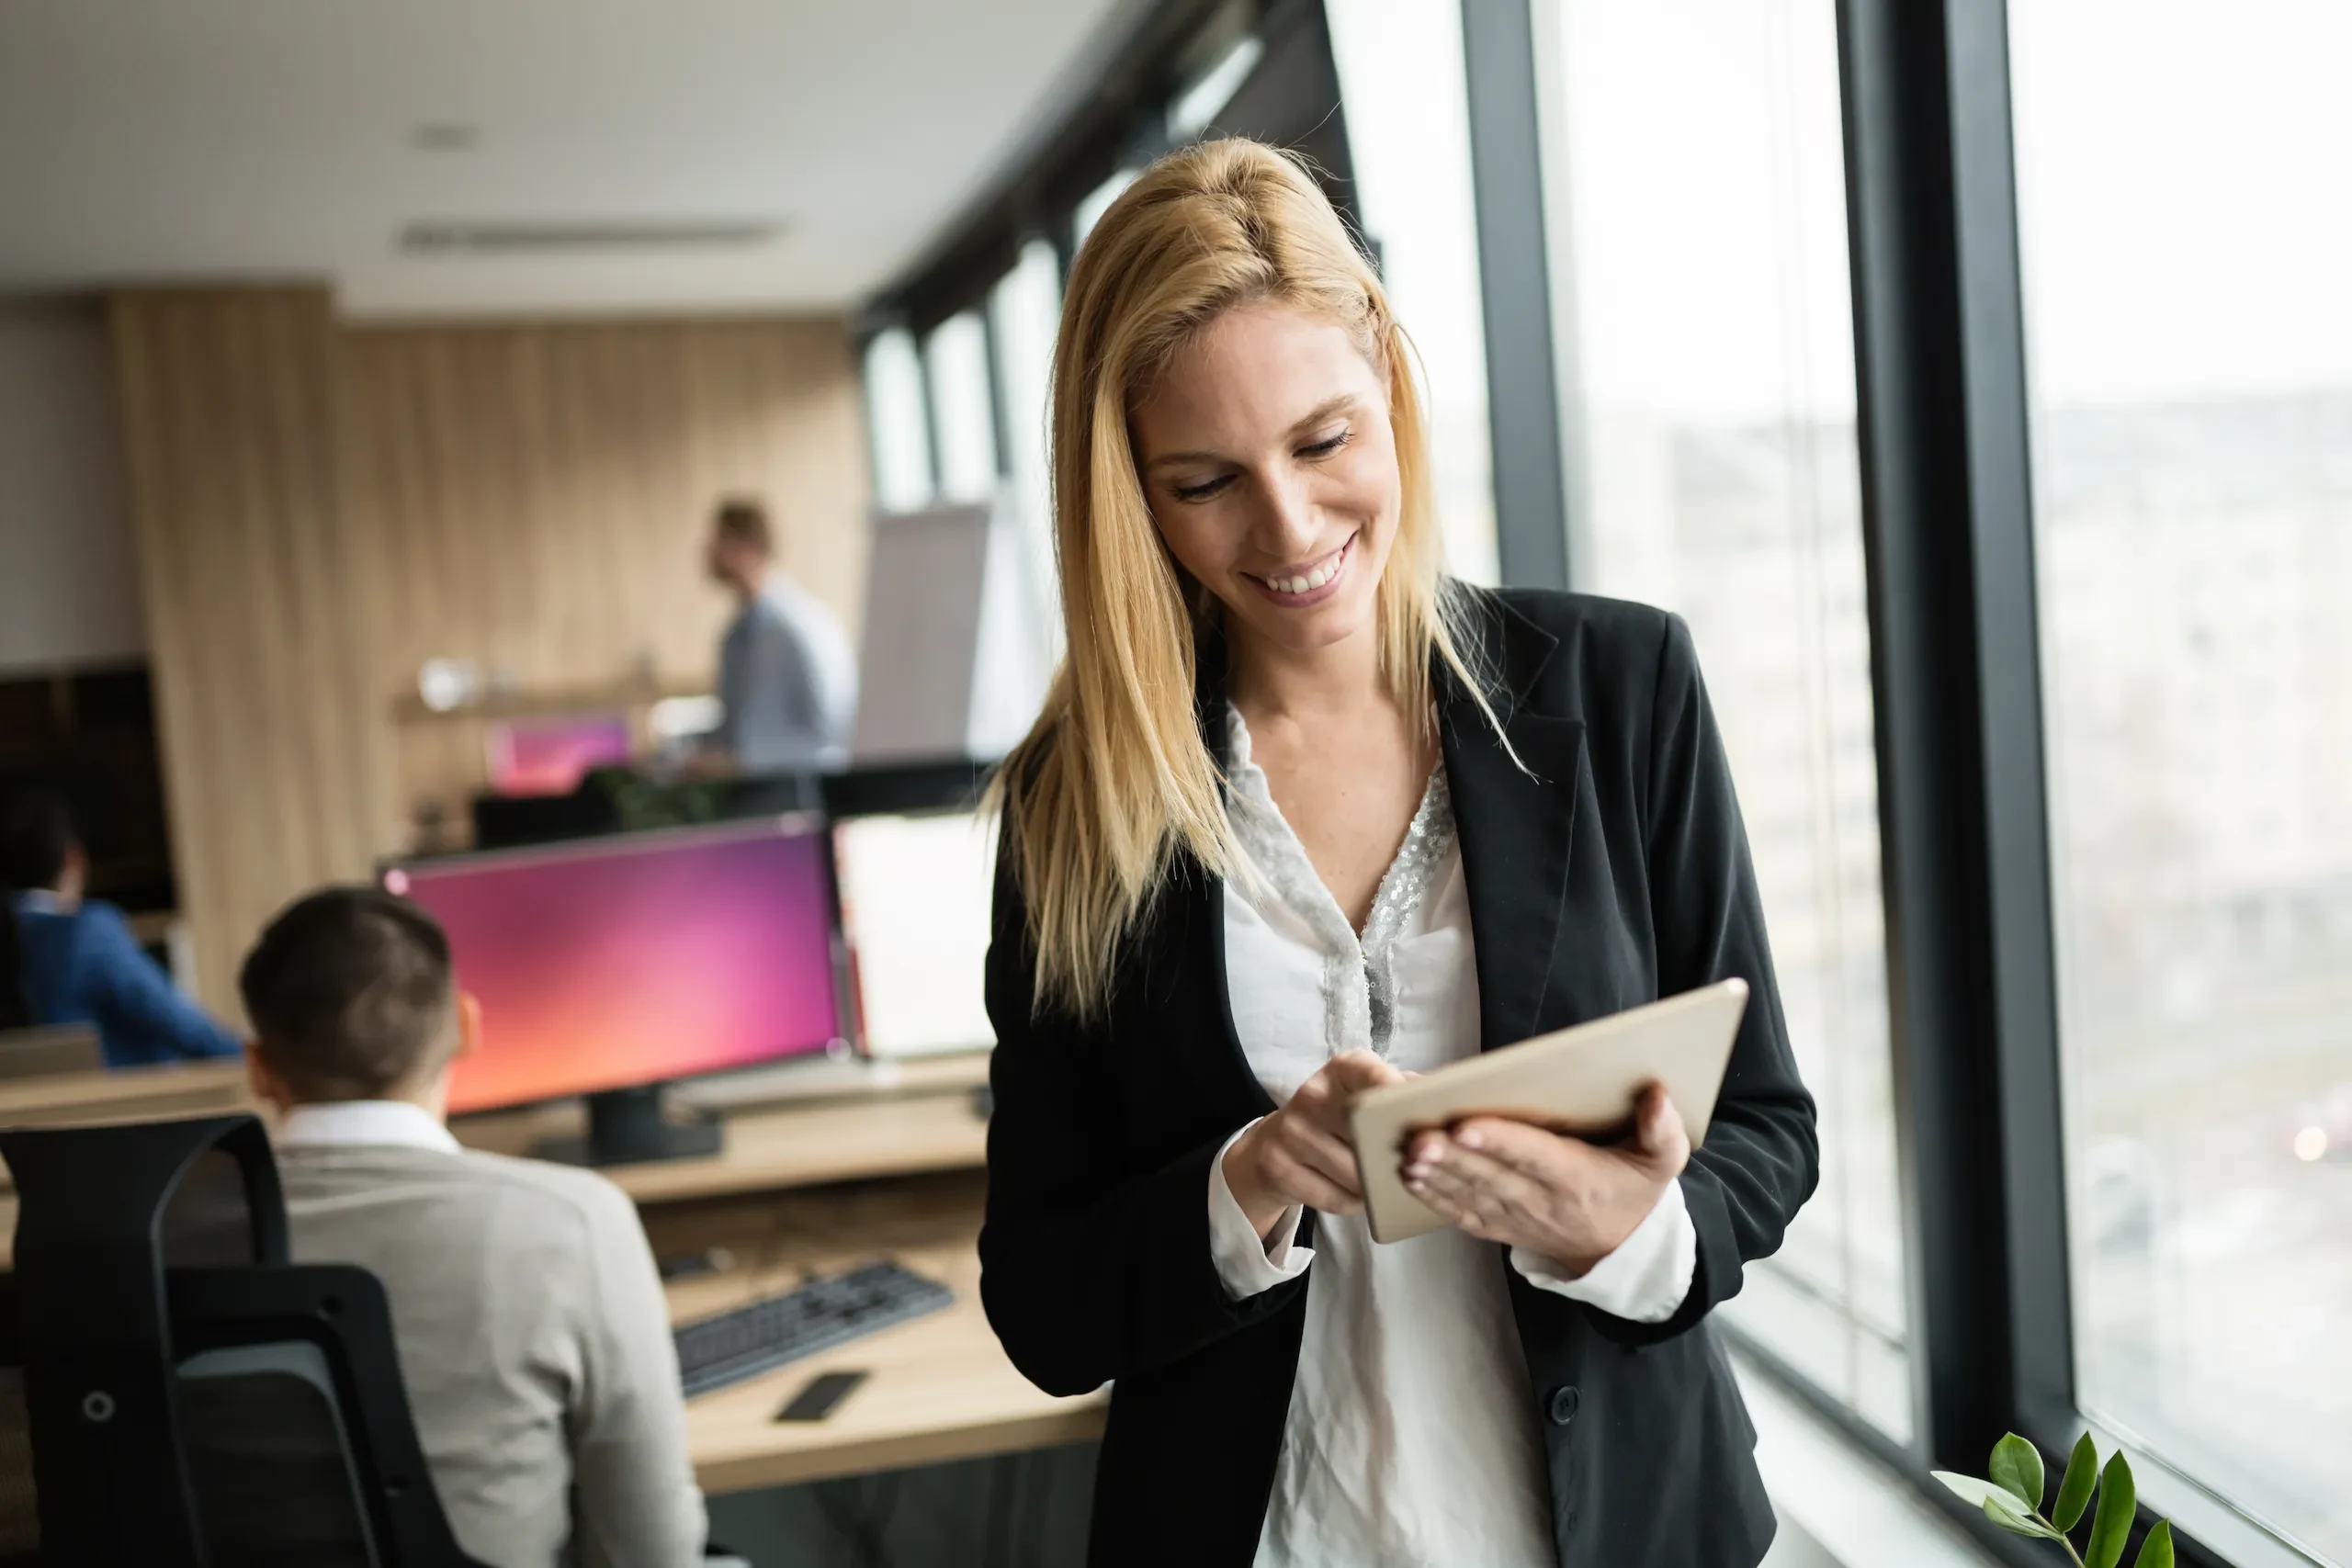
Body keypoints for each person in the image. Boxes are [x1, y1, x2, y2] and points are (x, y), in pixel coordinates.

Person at [978, 140, 1818, 1568]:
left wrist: (1636, 1228)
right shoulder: (1081, 800)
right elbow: (1045, 1304)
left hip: (1618, 1526)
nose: (1290, 528)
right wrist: (1248, 1176)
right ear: (1129, 488)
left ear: (1388, 377)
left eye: (1322, 441)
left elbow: (1766, 1130)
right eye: (1204, 481)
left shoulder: (1621, 685)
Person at [237, 886, 707, 1567]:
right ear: (467, 1025)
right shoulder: (575, 1224)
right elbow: (653, 1551)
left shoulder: (165, 1239)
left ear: (259, 1067)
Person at [1, 790, 240, 1066]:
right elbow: (182, 1027)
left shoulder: (23, 938)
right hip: (119, 1104)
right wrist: (260, 1059)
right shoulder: (88, 931)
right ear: (73, 858)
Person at [702, 496, 858, 773]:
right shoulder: (735, 637)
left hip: (799, 791)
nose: (708, 552)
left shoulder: (798, 628)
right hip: (749, 797)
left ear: (748, 547)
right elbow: (734, 730)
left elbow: (829, 734)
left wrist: (741, 761)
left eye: (718, 541)